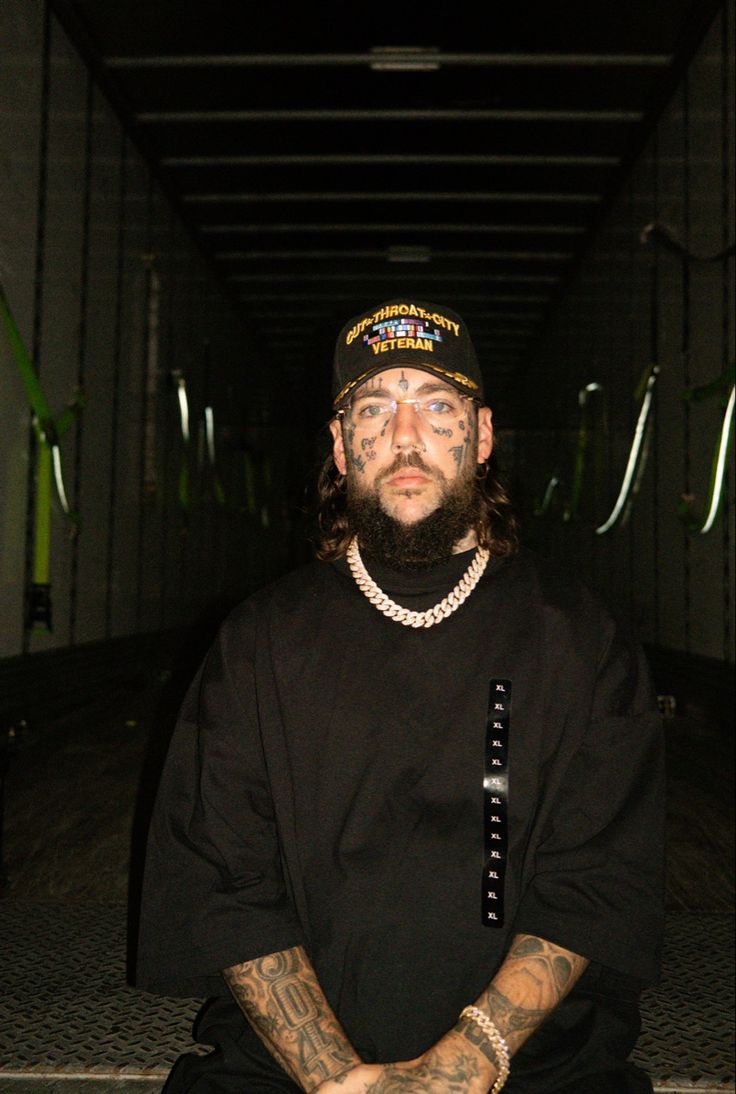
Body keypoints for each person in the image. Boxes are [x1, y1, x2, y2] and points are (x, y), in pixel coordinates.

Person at [137, 299, 665, 1093]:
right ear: (342, 448)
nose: (406, 437)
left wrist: (472, 1056)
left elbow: (593, 879)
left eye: (437, 405)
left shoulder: (579, 639)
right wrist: (336, 1077)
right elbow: (225, 883)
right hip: (290, 1072)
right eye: (374, 409)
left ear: (482, 438)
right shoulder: (260, 643)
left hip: (533, 1065)